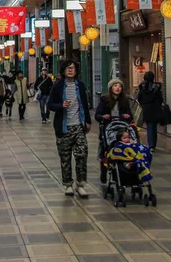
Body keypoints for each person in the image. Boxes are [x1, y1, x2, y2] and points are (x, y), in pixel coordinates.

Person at [48, 60, 91, 198]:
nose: (70, 70)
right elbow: (50, 105)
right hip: (64, 127)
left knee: (82, 155)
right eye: (67, 68)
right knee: (65, 157)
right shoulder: (58, 86)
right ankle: (68, 185)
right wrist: (61, 105)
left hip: (79, 126)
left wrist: (88, 122)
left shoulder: (81, 86)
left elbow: (85, 104)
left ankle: (81, 184)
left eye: (72, 68)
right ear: (63, 70)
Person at [95, 78, 133, 183]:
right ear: (111, 87)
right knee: (105, 149)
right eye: (115, 86)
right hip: (108, 129)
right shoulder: (104, 99)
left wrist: (127, 116)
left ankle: (121, 170)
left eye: (120, 86)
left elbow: (131, 116)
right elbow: (97, 115)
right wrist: (103, 116)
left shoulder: (124, 100)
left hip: (121, 129)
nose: (118, 88)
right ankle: (104, 170)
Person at [137, 71, 164, 151]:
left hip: (146, 108)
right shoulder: (156, 87)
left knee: (149, 126)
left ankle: (151, 145)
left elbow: (140, 99)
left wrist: (144, 104)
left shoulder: (142, 87)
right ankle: (153, 144)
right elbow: (160, 99)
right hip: (155, 108)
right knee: (154, 127)